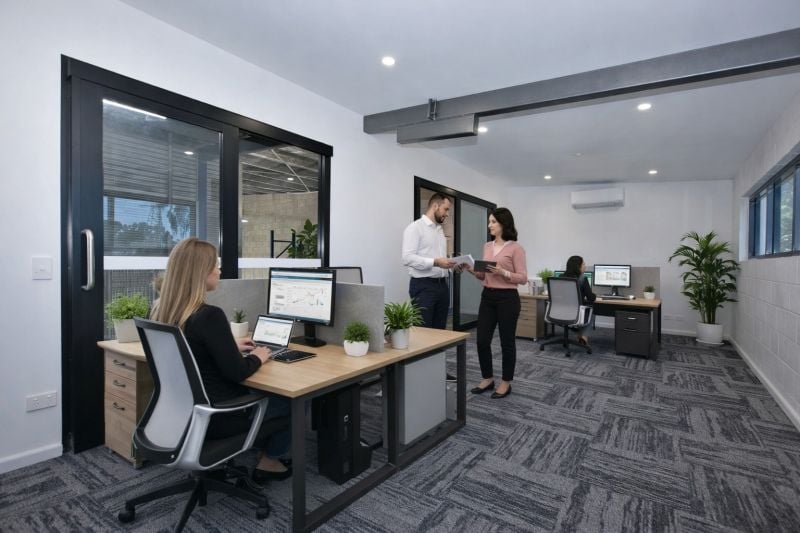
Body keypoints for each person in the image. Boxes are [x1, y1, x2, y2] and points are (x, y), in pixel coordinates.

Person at [150, 237, 292, 484]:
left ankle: (261, 451)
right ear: (200, 273)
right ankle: (270, 460)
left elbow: (189, 348)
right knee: (291, 400)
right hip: (219, 416)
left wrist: (226, 346)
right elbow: (238, 372)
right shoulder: (209, 316)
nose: (219, 270)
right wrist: (258, 356)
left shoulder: (160, 311)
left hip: (182, 414)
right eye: (215, 265)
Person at [464, 208, 527, 399]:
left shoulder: (516, 248)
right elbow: (482, 275)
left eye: (493, 222)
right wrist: (469, 268)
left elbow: (522, 278)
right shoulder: (487, 246)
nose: (489, 225)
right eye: (489, 221)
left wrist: (503, 272)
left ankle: (506, 382)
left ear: (503, 224)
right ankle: (487, 378)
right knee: (482, 340)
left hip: (508, 298)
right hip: (488, 297)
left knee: (507, 342)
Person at [402, 193, 457, 380]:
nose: (447, 214)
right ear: (435, 206)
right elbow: (407, 258)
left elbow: (440, 260)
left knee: (439, 332)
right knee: (423, 332)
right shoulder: (415, 228)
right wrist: (435, 262)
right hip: (423, 286)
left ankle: (437, 371)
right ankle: (420, 375)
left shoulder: (440, 231)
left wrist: (452, 265)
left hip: (442, 286)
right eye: (446, 209)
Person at [564, 254, 596, 346]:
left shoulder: (561, 277)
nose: (585, 266)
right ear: (578, 267)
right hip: (576, 313)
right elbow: (591, 298)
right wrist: (595, 295)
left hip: (561, 312)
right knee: (592, 309)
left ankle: (580, 335)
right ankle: (584, 337)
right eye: (583, 264)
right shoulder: (582, 278)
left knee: (586, 309)